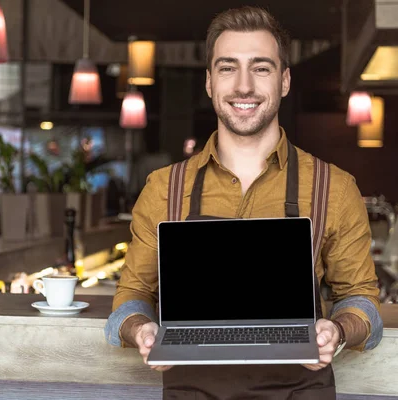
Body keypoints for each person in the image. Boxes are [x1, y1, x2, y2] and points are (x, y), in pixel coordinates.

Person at [104, 6, 383, 399]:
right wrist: (141, 330)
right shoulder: (164, 187)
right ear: (209, 82)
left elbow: (362, 302)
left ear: (285, 80)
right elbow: (130, 298)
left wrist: (337, 331)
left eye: (261, 68)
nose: (244, 86)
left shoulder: (332, 187)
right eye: (227, 67)